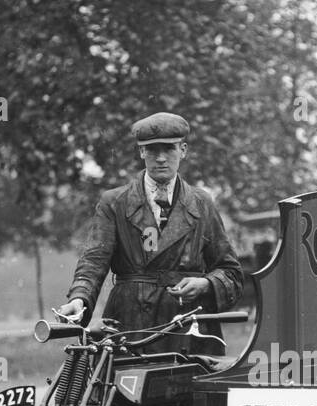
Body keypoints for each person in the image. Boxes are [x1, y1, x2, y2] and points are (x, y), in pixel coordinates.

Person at [58, 112, 243, 357]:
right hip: (130, 324)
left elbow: (230, 271)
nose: (161, 159)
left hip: (188, 325)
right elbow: (93, 260)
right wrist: (79, 298)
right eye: (152, 150)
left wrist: (205, 283)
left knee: (189, 393)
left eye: (169, 149)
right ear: (141, 152)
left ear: (183, 150)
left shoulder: (202, 203)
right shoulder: (115, 203)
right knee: (121, 391)